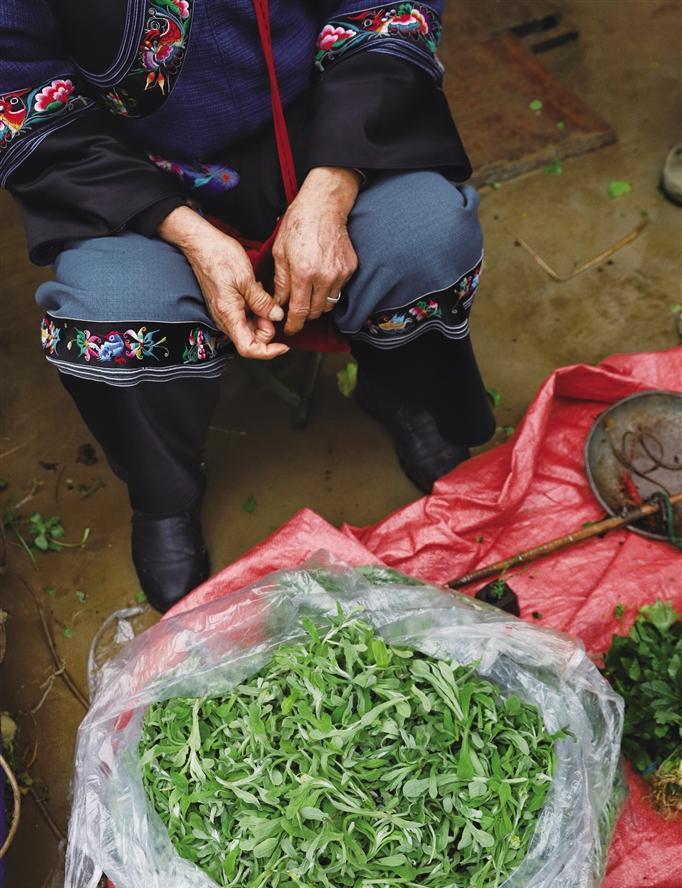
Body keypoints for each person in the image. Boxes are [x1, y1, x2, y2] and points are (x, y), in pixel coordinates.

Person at [1, 1, 495, 611]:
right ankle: (166, 492)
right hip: (129, 174)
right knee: (110, 316)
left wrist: (333, 186)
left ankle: (400, 389)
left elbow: (388, 8)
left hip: (325, 129)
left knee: (425, 238)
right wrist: (189, 234)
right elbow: (22, 98)